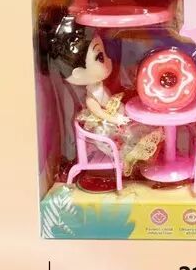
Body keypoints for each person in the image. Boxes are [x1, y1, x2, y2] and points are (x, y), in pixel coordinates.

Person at [47, 15, 162, 177]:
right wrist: (115, 119)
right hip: (106, 125)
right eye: (100, 57)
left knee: (136, 127)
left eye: (104, 54)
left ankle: (141, 157)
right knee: (127, 135)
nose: (108, 60)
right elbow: (100, 113)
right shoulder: (90, 97)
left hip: (114, 113)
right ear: (78, 73)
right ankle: (132, 159)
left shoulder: (99, 87)